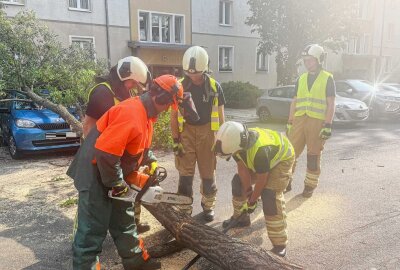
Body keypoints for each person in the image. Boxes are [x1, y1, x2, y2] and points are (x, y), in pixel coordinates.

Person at [67, 75, 183, 270]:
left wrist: (151, 161)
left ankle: (135, 261)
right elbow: (105, 154)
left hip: (113, 171)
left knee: (124, 219)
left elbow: (139, 147)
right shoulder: (132, 112)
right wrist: (118, 185)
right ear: (161, 98)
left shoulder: (147, 115)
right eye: (168, 104)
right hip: (95, 172)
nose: (166, 110)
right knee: (91, 229)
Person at [83, 56, 151, 233]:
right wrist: (93, 153)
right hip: (104, 153)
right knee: (97, 198)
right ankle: (90, 232)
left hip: (121, 152)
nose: (134, 88)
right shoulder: (102, 92)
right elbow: (88, 125)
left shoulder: (124, 93)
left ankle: (133, 223)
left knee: (129, 189)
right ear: (123, 76)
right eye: (132, 83)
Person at [214, 121, 295, 257]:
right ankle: (242, 218)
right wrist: (248, 192)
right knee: (237, 182)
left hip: (282, 160)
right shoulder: (235, 141)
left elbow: (262, 179)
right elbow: (242, 168)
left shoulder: (260, 151)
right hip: (264, 161)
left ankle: (280, 244)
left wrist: (252, 200)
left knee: (269, 195)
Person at [170, 46, 225, 222]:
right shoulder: (179, 86)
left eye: (197, 74)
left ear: (205, 69)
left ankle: (208, 205)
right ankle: (184, 207)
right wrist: (175, 140)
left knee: (208, 173)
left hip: (207, 132)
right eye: (190, 73)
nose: (193, 77)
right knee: (185, 174)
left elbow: (222, 116)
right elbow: (173, 115)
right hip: (185, 132)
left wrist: (221, 140)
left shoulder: (215, 87)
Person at [286, 44, 336, 198]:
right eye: (305, 60)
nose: (307, 63)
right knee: (290, 153)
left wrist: (328, 124)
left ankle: (309, 185)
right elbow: (294, 101)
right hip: (299, 120)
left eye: (310, 60)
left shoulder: (327, 78)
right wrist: (289, 121)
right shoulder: (301, 79)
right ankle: (285, 181)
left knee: (313, 155)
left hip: (317, 121)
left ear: (319, 60)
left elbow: (331, 103)